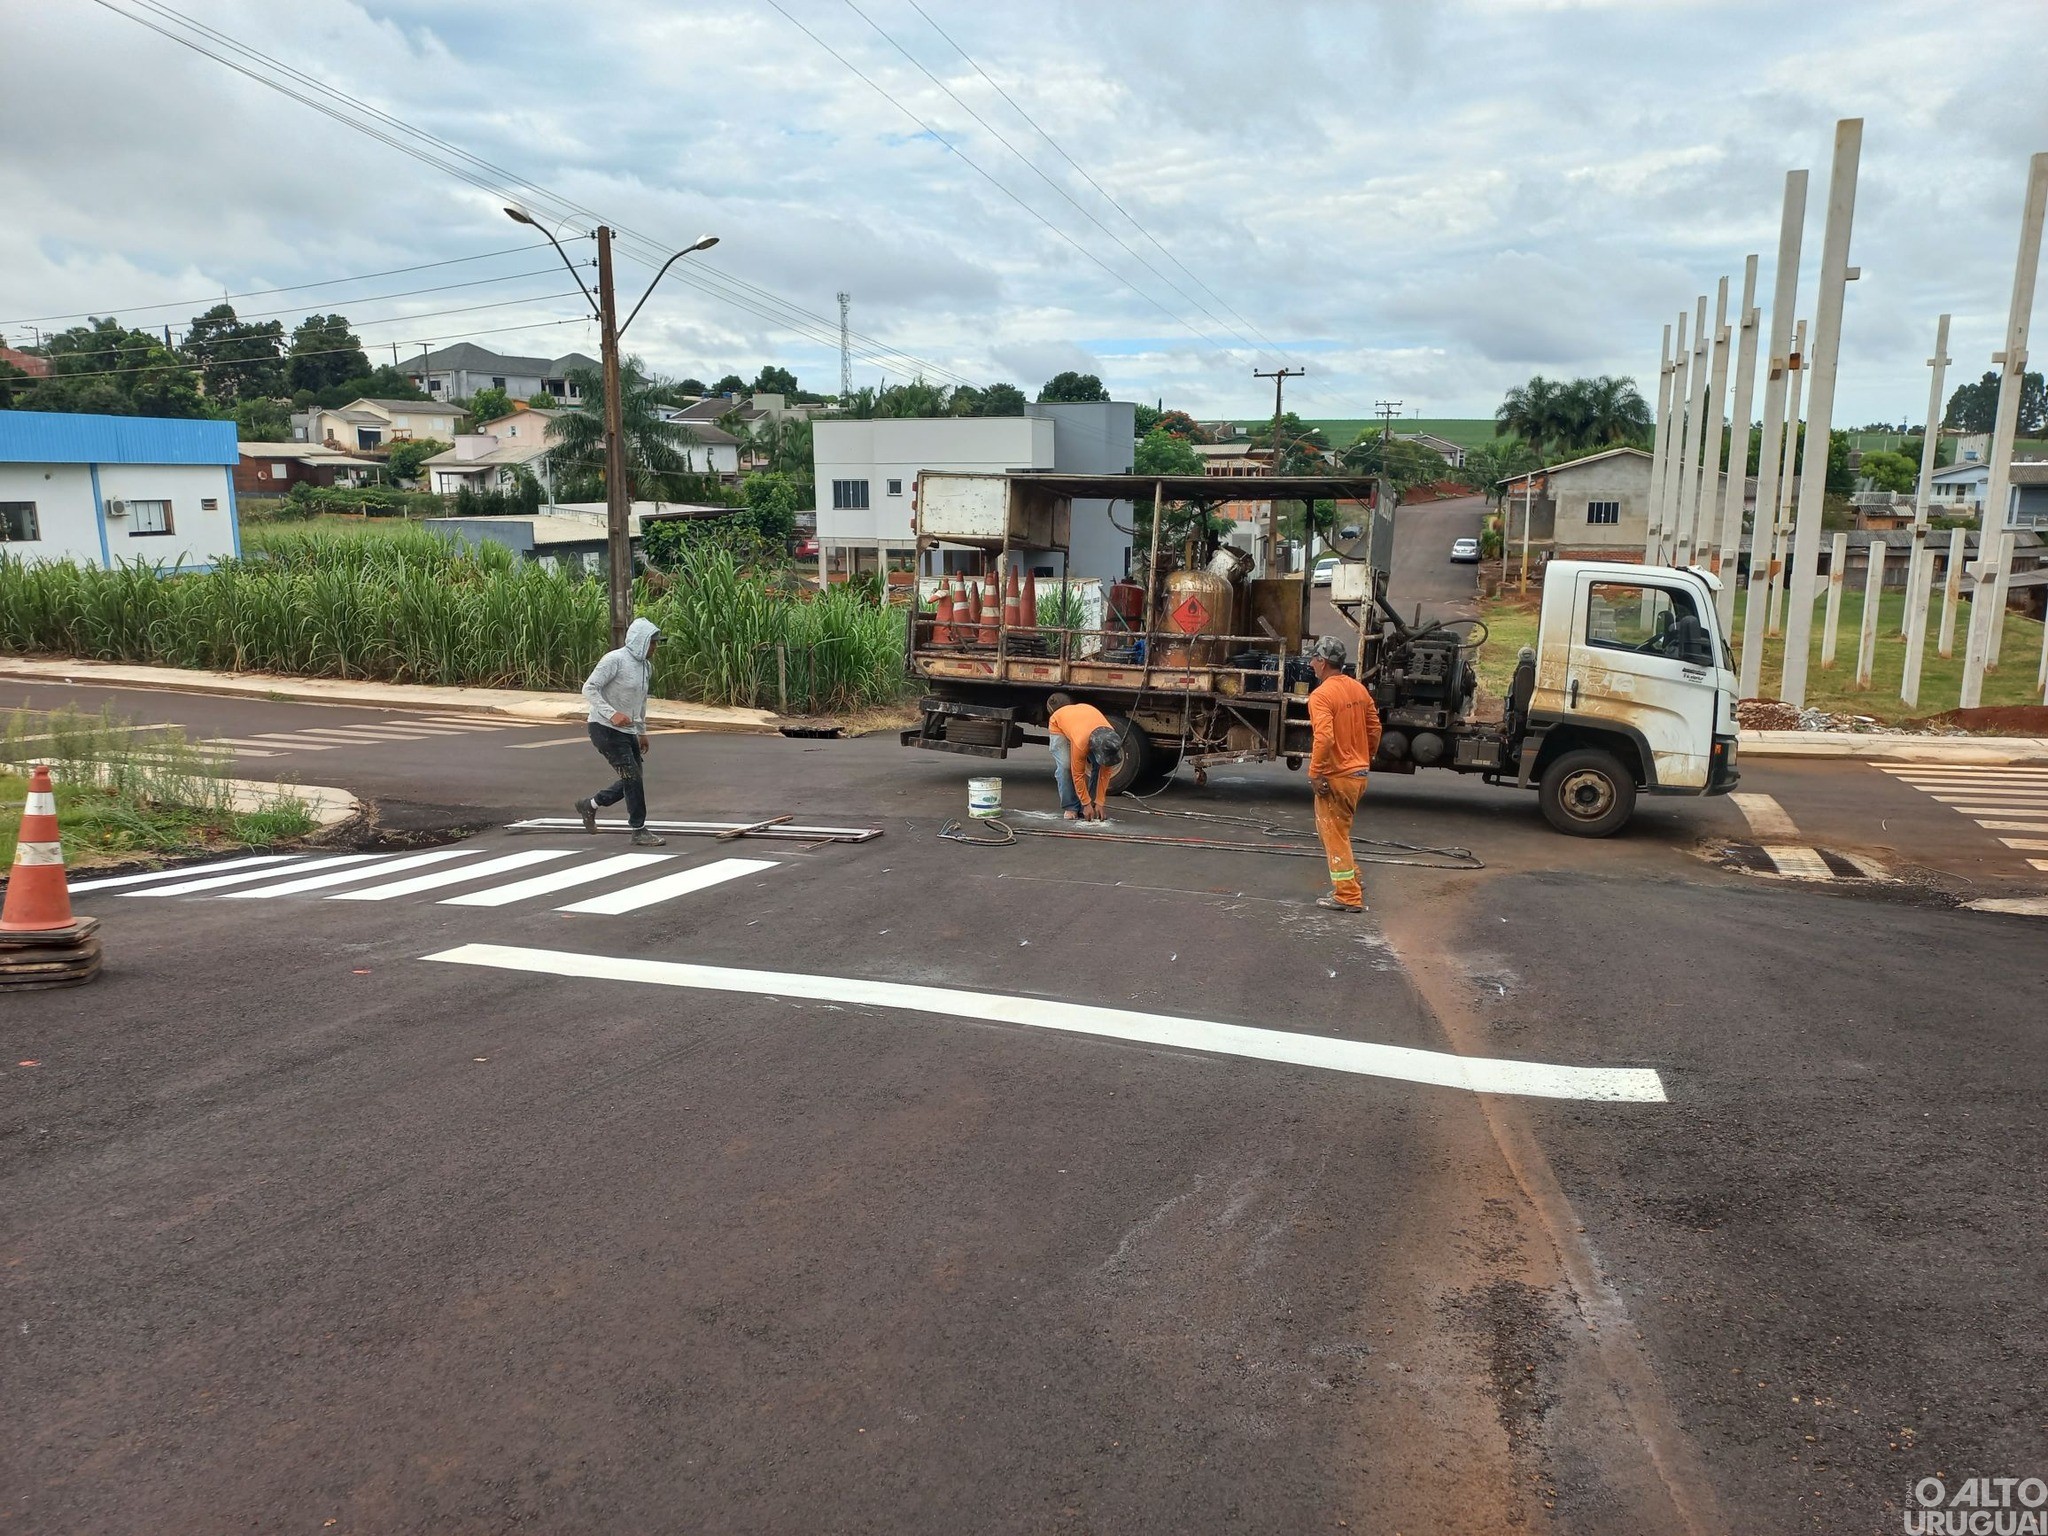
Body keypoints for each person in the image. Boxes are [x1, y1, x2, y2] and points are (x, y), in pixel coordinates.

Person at [1305, 634, 1382, 912]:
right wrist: (1364, 755)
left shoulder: (1321, 696)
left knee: (1333, 834)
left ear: (1323, 663)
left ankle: (1347, 895)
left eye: (1313, 659)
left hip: (1336, 777)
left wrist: (1315, 773)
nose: (1311, 664)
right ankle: (1354, 880)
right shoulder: (1358, 689)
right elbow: (1374, 729)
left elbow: (1323, 738)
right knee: (1337, 832)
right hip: (1358, 775)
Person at [575, 616, 667, 847]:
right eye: (652, 643)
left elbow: (640, 701)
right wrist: (611, 713)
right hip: (604, 728)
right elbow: (589, 688)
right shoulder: (614, 660)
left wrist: (641, 731)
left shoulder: (646, 667)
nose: (655, 648)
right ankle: (639, 830)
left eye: (656, 643)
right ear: (639, 641)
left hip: (627, 731)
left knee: (634, 780)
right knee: (632, 779)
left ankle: (590, 805)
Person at [1043, 692, 1124, 822]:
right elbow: (1078, 774)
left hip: (1084, 719)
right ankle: (1071, 806)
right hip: (1059, 724)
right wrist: (1085, 803)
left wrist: (1100, 802)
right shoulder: (1081, 742)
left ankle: (1091, 805)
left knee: (1100, 764)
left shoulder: (1110, 736)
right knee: (1066, 766)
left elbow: (1105, 771)